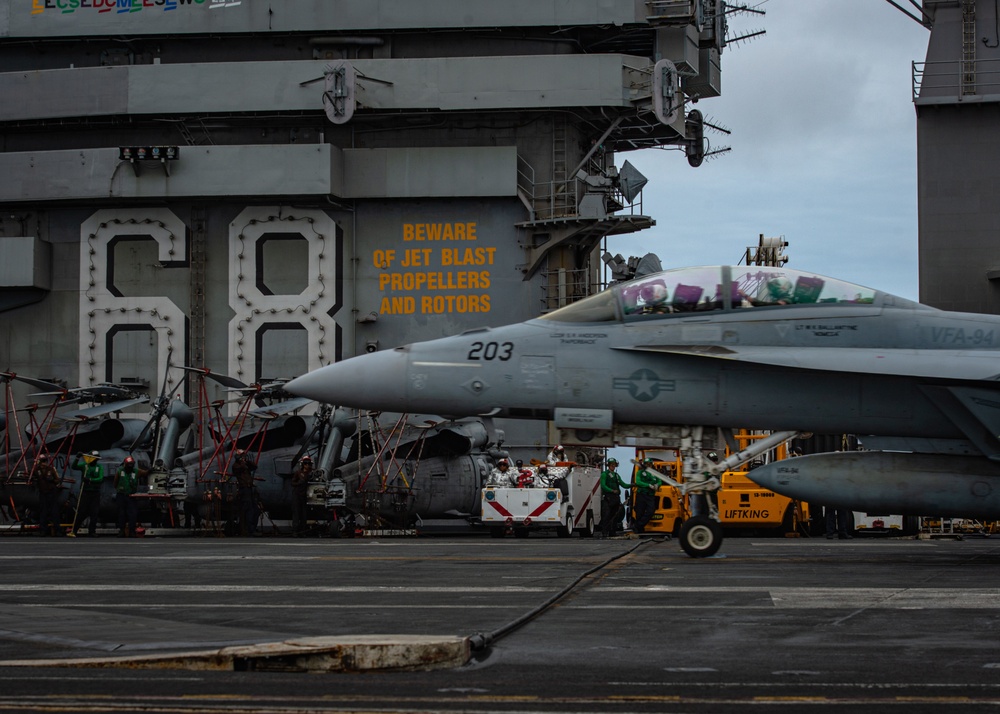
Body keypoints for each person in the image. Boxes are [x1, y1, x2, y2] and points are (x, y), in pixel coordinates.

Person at [71, 450, 104, 537]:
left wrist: (90, 480)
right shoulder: (84, 466)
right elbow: (74, 467)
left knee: (94, 513)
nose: (95, 460)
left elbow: (100, 478)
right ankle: (74, 530)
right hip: (85, 492)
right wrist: (77, 458)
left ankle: (92, 531)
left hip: (95, 493)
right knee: (81, 512)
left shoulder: (99, 467)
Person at [231, 448, 259, 536]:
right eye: (242, 456)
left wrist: (247, 461)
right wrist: (242, 461)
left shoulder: (245, 465)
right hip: (244, 489)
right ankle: (249, 529)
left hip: (249, 489)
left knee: (255, 509)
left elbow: (254, 466)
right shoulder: (236, 466)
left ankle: (252, 527)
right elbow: (241, 468)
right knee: (248, 509)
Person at [599, 458, 629, 537]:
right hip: (608, 498)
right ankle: (605, 532)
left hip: (615, 498)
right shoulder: (604, 474)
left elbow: (623, 484)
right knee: (606, 515)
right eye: (611, 464)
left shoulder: (616, 476)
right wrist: (612, 490)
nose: (613, 466)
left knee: (615, 515)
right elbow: (603, 486)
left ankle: (613, 531)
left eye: (614, 464)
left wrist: (632, 485)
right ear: (608, 465)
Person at [34, 453, 62, 537]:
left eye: (45, 461)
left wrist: (52, 480)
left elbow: (58, 480)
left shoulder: (51, 469)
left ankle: (58, 530)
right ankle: (43, 530)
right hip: (43, 493)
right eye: (42, 461)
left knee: (54, 512)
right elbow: (33, 478)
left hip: (51, 493)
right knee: (43, 512)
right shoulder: (36, 471)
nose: (44, 463)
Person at [113, 456, 142, 537]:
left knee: (132, 514)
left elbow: (145, 473)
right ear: (125, 464)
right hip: (121, 495)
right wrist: (120, 489)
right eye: (129, 464)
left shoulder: (136, 471)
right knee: (121, 513)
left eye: (131, 464)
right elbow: (115, 483)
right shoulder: (119, 471)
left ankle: (132, 531)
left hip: (131, 496)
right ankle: (121, 530)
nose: (130, 466)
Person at [631, 457, 660, 534]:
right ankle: (640, 530)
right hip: (641, 495)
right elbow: (638, 482)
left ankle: (638, 525)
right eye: (647, 464)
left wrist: (657, 485)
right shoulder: (640, 473)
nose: (648, 465)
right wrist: (648, 485)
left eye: (649, 464)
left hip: (650, 496)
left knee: (651, 511)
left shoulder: (655, 473)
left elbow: (659, 481)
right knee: (639, 513)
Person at [290, 455, 313, 536]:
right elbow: (292, 483)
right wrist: (299, 483)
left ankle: (302, 530)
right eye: (305, 463)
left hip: (304, 495)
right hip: (297, 494)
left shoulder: (311, 473)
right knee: (296, 513)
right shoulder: (298, 473)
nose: (307, 465)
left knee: (304, 514)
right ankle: (295, 530)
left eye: (308, 463)